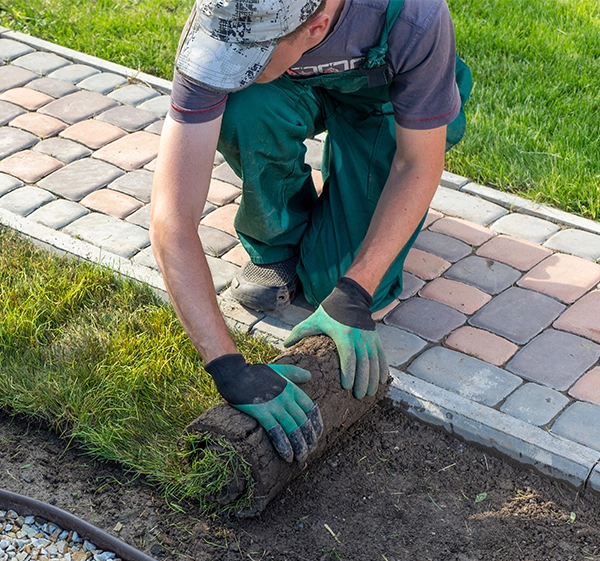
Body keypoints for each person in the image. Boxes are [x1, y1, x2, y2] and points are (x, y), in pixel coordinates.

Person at [150, 0, 470, 464]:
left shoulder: (415, 14)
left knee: (336, 286)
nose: (230, 65)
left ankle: (352, 174)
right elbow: (171, 217)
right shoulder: (225, 22)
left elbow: (418, 162)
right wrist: (227, 366)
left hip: (381, 100)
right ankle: (275, 244)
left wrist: (355, 292)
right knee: (244, 103)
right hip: (287, 88)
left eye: (249, 56)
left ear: (317, 27)